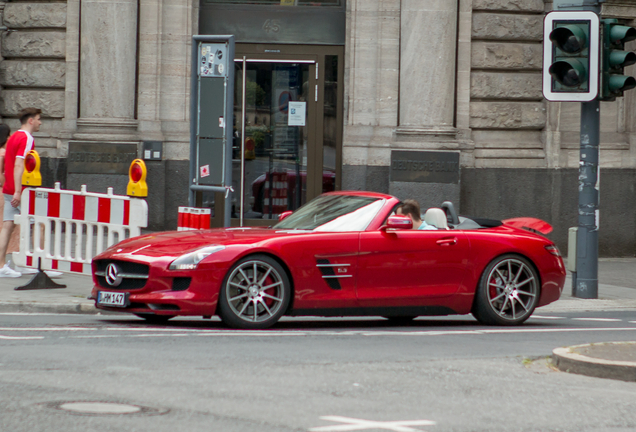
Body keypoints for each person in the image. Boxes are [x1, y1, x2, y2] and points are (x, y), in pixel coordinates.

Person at [0, 108, 41, 277]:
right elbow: (19, 165)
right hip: (21, 189)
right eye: (38, 119)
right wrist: (19, 191)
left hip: (8, 187)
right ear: (30, 120)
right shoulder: (26, 139)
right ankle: (31, 263)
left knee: (8, 225)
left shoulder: (14, 137)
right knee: (37, 223)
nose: (40, 122)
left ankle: (1, 265)